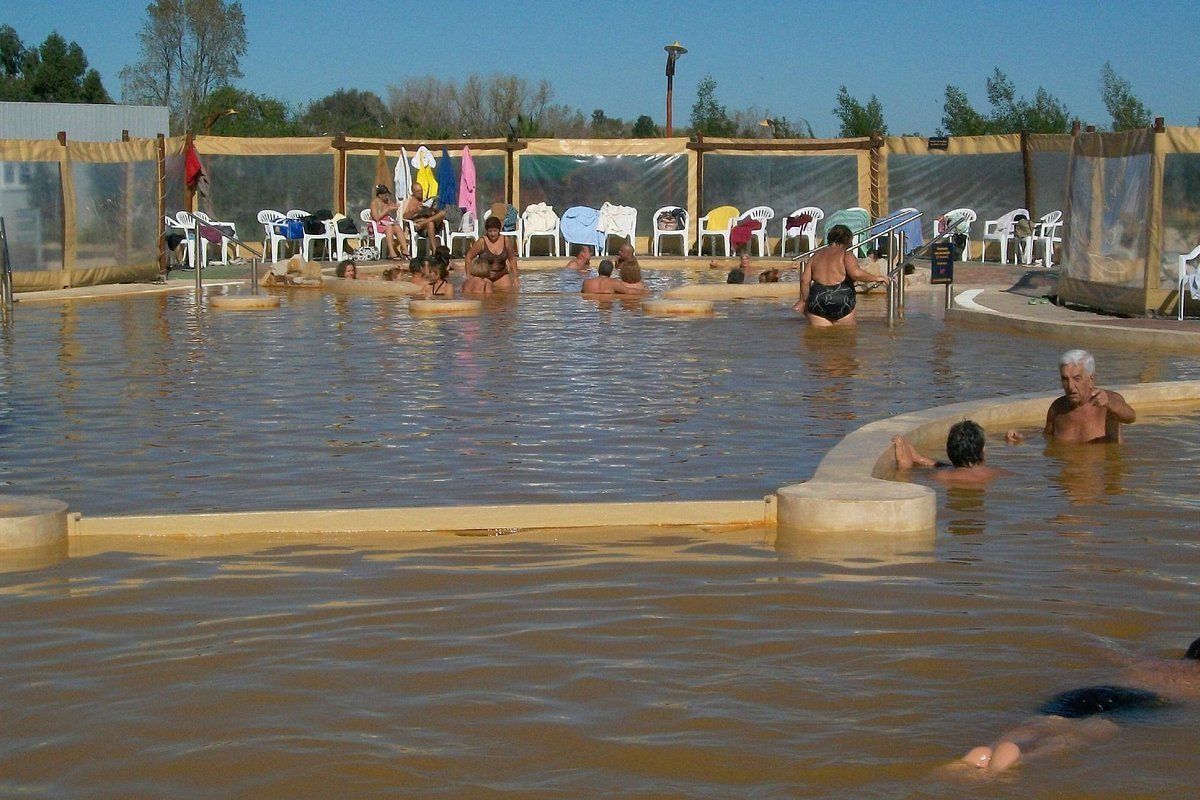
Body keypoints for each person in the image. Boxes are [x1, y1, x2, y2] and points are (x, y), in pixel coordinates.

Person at [955, 636, 1200, 774]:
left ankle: (980, 755)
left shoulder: (1150, 663)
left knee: (1039, 724)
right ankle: (1016, 762)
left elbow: (1101, 648)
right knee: (1076, 736)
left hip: (1088, 693)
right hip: (1132, 701)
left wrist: (1084, 639)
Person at [1008, 349, 1136, 444]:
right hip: (1066, 469)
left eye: (1077, 379)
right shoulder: (1057, 408)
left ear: (1091, 379)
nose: (1070, 386)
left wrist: (1109, 403)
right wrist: (1023, 437)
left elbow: (1130, 417)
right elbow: (1047, 436)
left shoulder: (1108, 402)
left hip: (1098, 471)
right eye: (1065, 379)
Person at [793, 224, 889, 326]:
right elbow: (856, 274)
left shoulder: (816, 256)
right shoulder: (846, 255)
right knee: (845, 334)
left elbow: (805, 280)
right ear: (847, 240)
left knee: (819, 335)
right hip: (842, 299)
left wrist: (804, 301)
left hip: (818, 300)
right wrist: (877, 278)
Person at [891, 420, 1004, 487]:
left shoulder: (939, 476)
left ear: (948, 451)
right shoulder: (997, 473)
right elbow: (961, 470)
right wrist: (920, 459)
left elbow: (906, 485)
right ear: (983, 450)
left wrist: (904, 468)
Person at [465, 215, 520, 291]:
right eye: (490, 231)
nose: (492, 234)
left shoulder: (506, 241)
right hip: (485, 276)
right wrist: (468, 276)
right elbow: (468, 257)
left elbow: (512, 259)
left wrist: (515, 277)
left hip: (501, 275)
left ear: (499, 230)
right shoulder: (482, 242)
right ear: (486, 230)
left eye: (495, 231)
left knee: (508, 291)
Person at [369, 184, 409, 261]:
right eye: (385, 195)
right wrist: (387, 210)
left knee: (397, 227)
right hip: (377, 224)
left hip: (386, 223)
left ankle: (405, 250)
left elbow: (393, 206)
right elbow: (376, 218)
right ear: (380, 195)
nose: (387, 197)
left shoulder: (387, 201)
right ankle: (391, 252)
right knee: (389, 227)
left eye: (388, 195)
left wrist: (396, 206)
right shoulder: (374, 203)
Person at [401, 183, 447, 248]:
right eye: (418, 191)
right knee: (430, 223)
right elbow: (405, 217)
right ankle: (434, 251)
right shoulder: (410, 202)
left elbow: (437, 213)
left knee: (443, 212)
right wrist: (416, 210)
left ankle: (423, 222)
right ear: (413, 192)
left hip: (431, 223)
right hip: (421, 228)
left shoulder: (426, 200)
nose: (420, 192)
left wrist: (433, 210)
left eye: (421, 190)